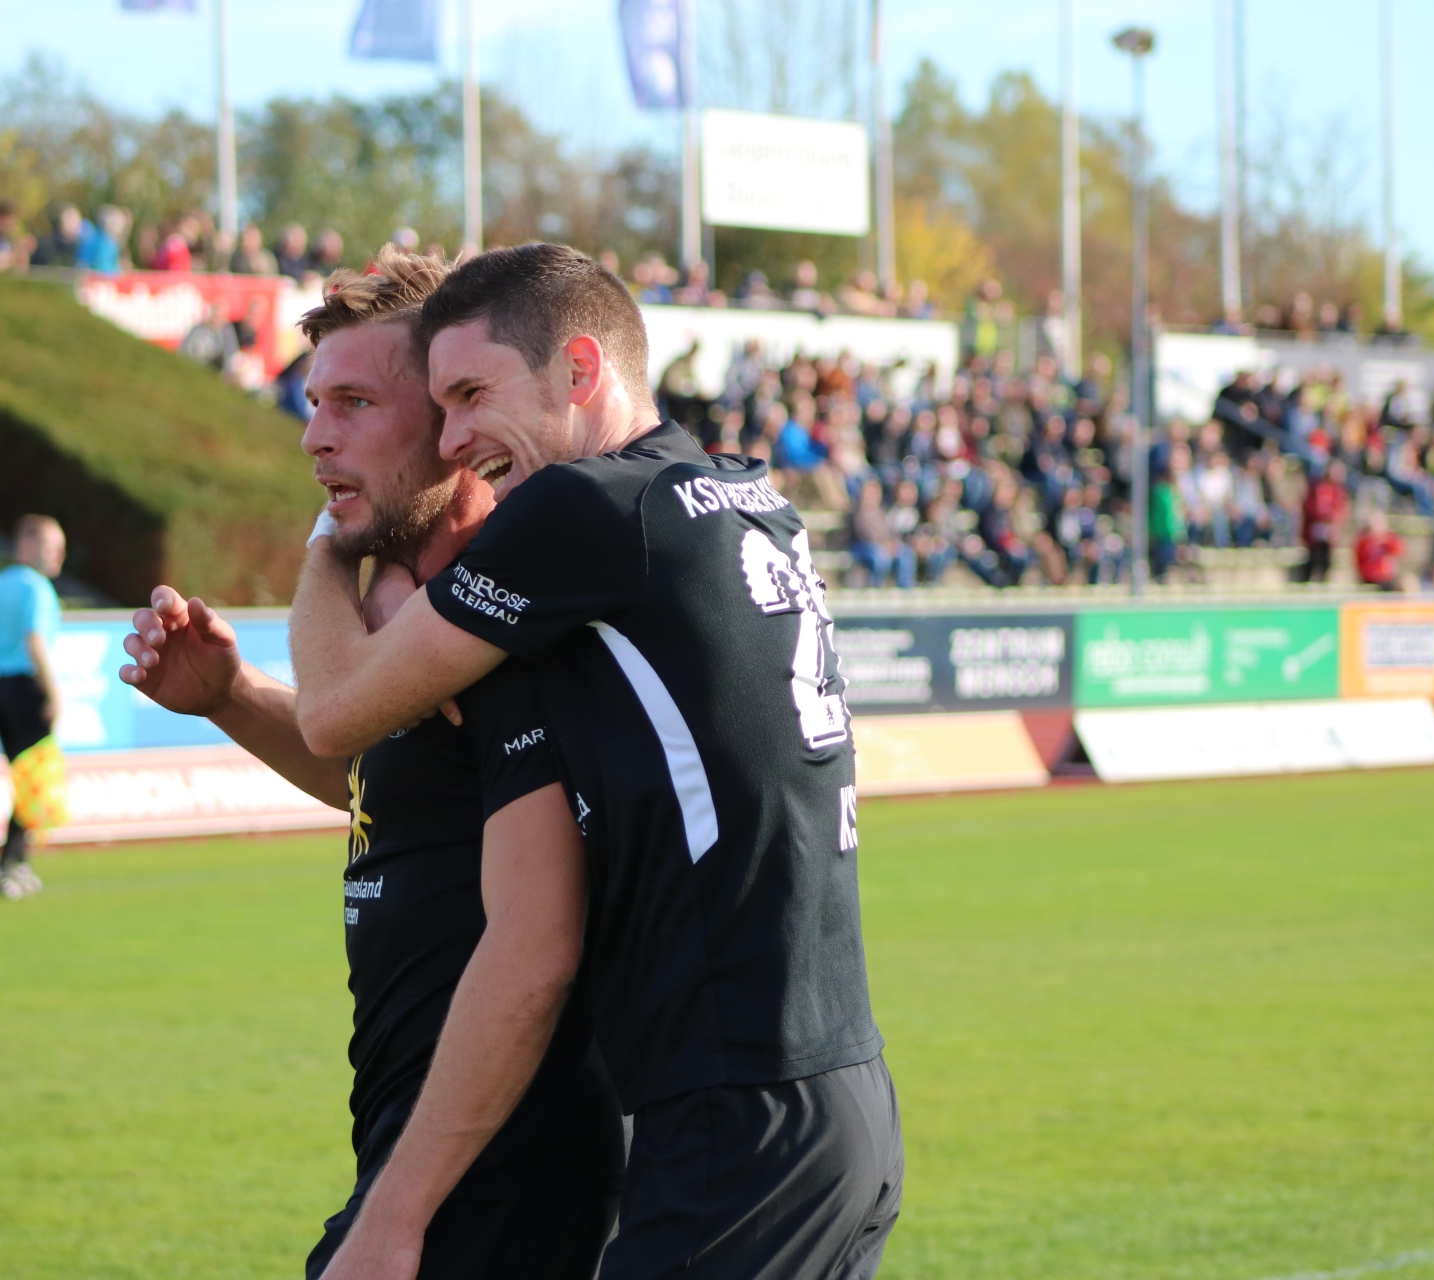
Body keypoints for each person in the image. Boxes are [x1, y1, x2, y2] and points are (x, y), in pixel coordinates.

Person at [282, 244, 900, 1280]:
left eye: (473, 395)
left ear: (579, 369)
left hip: (732, 1113)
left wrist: (330, 538)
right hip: (836, 1095)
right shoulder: (738, 493)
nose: (457, 437)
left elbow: (339, 709)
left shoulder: (582, 512)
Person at [121, 247, 624, 1280]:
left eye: (353, 403)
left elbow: (536, 939)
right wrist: (231, 698)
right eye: (315, 404)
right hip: (417, 1156)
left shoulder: (512, 612)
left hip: (513, 1174)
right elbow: (400, 794)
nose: (316, 436)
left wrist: (325, 545)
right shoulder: (410, 620)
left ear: (451, 423)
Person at [0, 516, 66, 899]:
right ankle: (9, 865)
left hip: (2, 689)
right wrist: (53, 694)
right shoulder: (37, 588)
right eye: (51, 547)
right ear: (26, 545)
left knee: (23, 779)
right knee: (30, 781)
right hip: (28, 689)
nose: (57, 556)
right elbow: (35, 641)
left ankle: (16, 862)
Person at [1353, 509, 1404, 591]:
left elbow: (1399, 552)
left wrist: (1387, 539)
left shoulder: (1389, 539)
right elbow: (1360, 562)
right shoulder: (1364, 542)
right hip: (1370, 577)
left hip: (1387, 577)